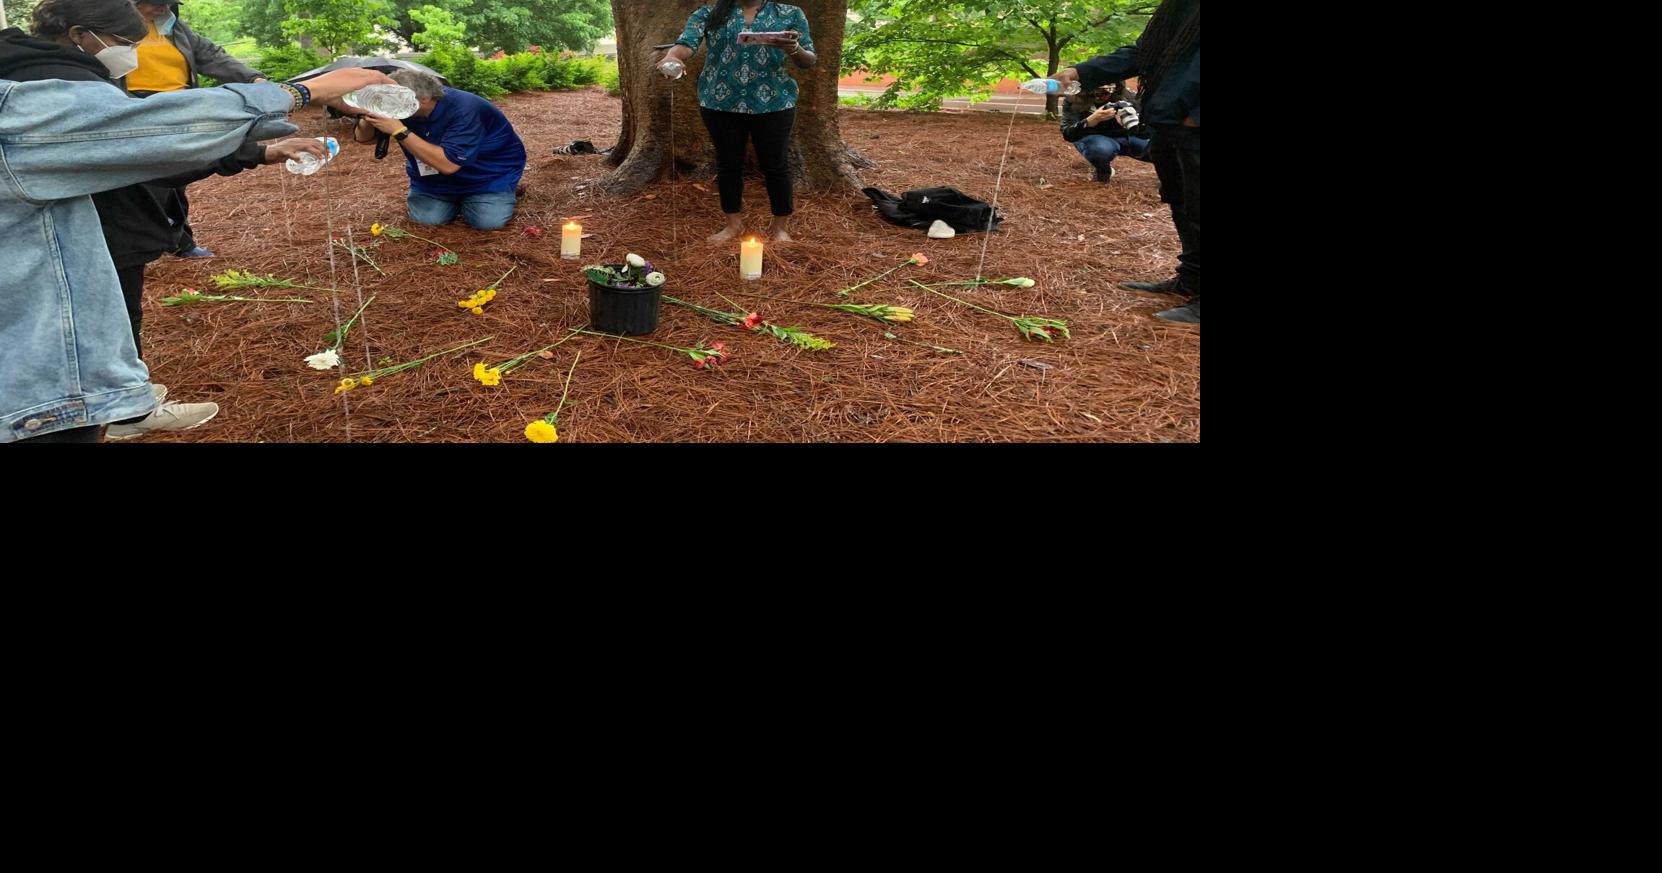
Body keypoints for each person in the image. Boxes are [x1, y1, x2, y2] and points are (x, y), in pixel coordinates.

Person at [2, 63, 394, 442]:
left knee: (116, 312)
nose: (134, 49)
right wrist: (301, 92)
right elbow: (154, 133)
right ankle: (128, 414)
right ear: (80, 34)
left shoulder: (41, 79)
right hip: (32, 391)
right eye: (126, 38)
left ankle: (125, 405)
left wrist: (261, 152)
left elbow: (152, 147)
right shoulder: (27, 102)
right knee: (104, 316)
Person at [1055, 0, 1199, 323]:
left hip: (1193, 123)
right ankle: (1192, 278)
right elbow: (1140, 53)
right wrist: (1079, 72)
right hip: (1167, 121)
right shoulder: (1177, 10)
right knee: (1183, 203)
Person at [658, 0, 816, 243]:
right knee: (728, 165)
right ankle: (733, 225)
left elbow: (808, 60)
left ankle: (780, 228)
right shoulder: (708, 13)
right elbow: (686, 44)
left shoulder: (790, 13)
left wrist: (793, 47)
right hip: (720, 101)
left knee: (776, 166)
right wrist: (673, 57)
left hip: (774, 102)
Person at [128, 1, 269, 259]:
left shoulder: (174, 28)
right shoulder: (111, 28)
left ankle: (180, 240)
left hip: (181, 107)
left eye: (168, 2)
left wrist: (252, 78)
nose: (164, 7)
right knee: (145, 181)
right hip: (135, 107)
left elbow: (211, 55)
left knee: (180, 176)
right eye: (156, 3)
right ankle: (142, 247)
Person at [350, 69, 528, 231]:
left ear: (424, 98)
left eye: (395, 98)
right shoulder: (404, 108)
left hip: (487, 175)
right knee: (426, 220)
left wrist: (399, 131)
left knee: (486, 223)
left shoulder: (465, 108)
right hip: (433, 180)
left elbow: (449, 165)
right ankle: (462, 201)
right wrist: (367, 117)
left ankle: (504, 191)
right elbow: (364, 139)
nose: (389, 103)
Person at [1060, 83, 1149, 183]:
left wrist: (1134, 123)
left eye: (1110, 83)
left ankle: (1167, 179)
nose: (1106, 88)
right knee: (1100, 149)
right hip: (1093, 138)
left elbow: (1148, 132)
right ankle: (1103, 171)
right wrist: (1090, 121)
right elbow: (1067, 134)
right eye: (1100, 82)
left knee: (1161, 148)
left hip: (1127, 136)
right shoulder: (1074, 98)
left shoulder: (1129, 96)